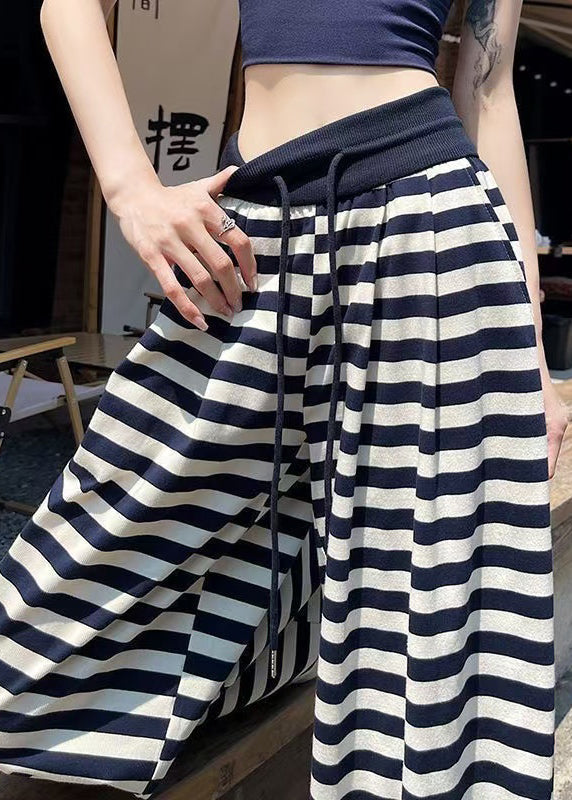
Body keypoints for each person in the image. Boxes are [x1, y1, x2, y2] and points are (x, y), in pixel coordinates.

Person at [0, 1, 568, 798]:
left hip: (436, 229)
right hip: (257, 230)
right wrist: (130, 189)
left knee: (431, 610)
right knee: (91, 556)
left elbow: (489, 86)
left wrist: (531, 354)